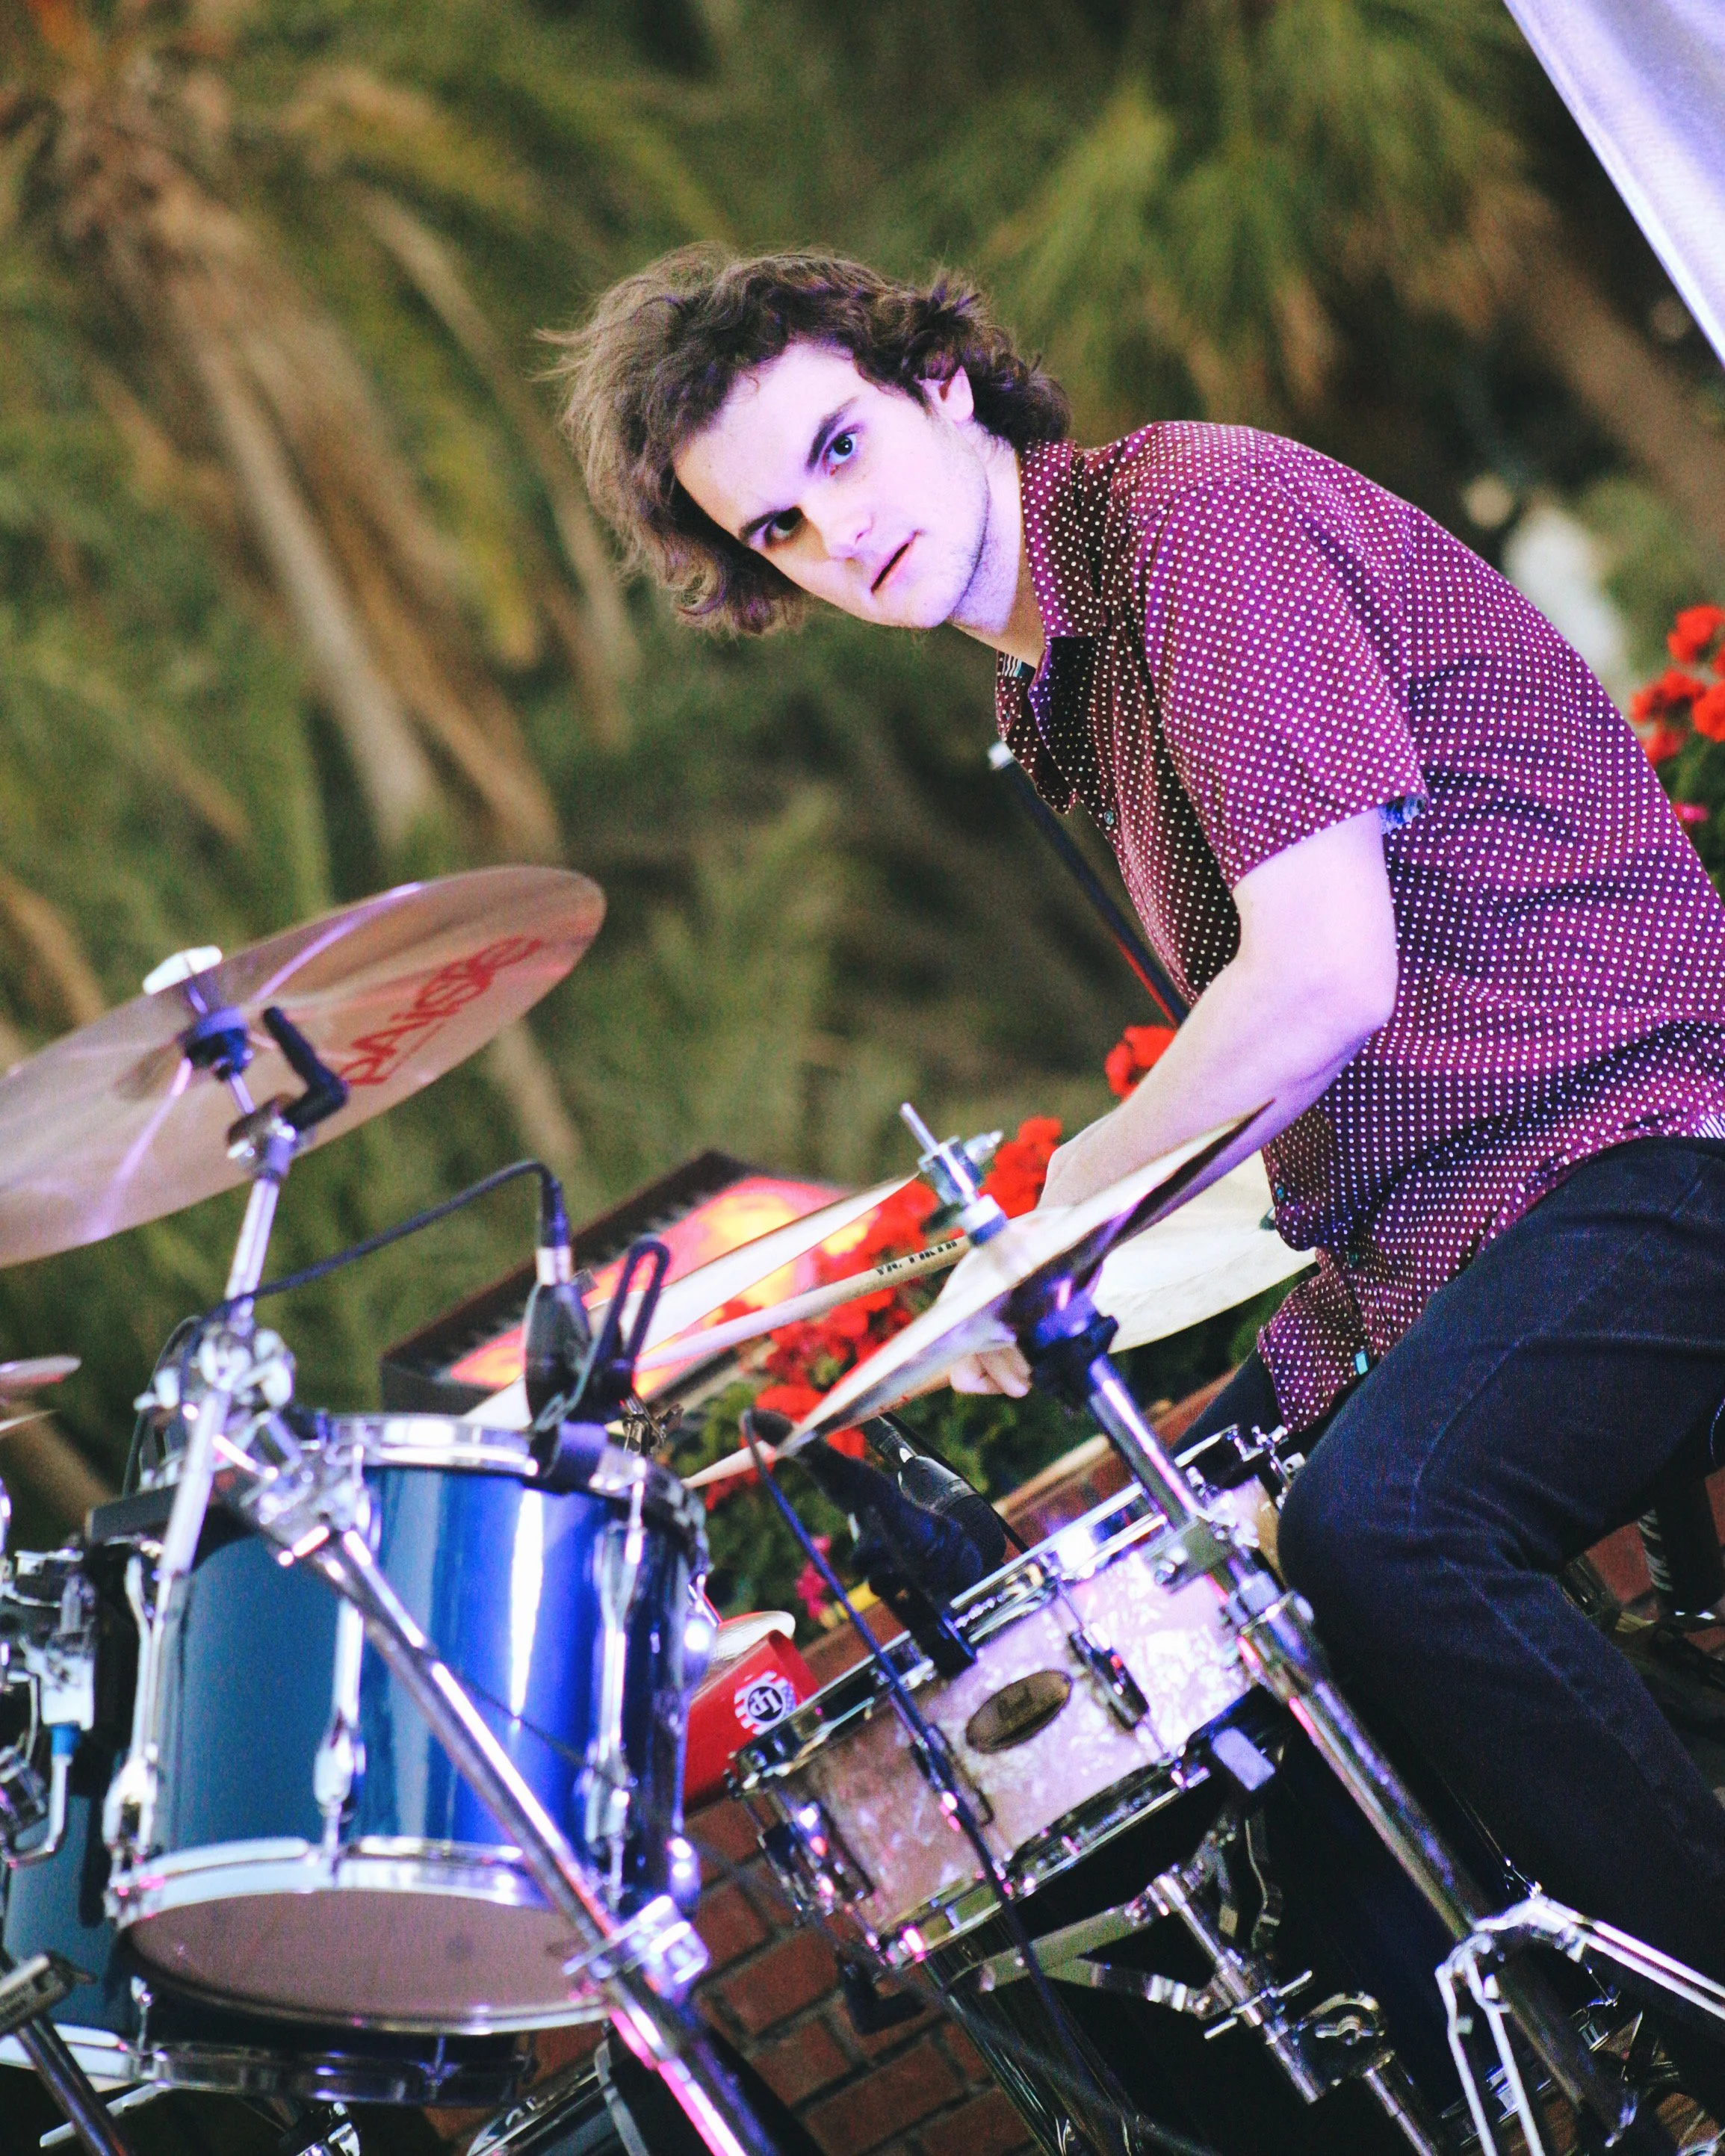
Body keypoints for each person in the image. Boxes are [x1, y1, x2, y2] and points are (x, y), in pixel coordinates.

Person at [551, 246, 1725, 1985]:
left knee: (1372, 1528)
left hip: (1645, 1144)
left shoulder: (1195, 526)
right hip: (1452, 1231)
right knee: (1188, 1610)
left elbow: (1324, 980)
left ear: (937, 383)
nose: (829, 532)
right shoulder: (1050, 691)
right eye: (774, 531)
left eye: (838, 451)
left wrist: (1029, 1232)